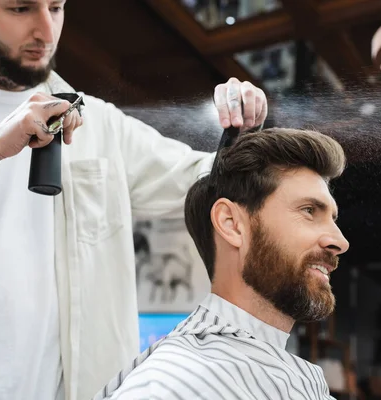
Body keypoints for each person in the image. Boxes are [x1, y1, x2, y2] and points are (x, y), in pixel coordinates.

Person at [0, 1, 269, 400]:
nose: (45, 30)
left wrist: (242, 133)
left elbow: (209, 179)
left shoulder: (102, 125)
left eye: (55, 7)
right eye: (20, 9)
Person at [95, 128, 350, 400]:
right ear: (231, 224)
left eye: (333, 219)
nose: (340, 241)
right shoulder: (170, 386)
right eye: (309, 211)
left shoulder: (291, 377)